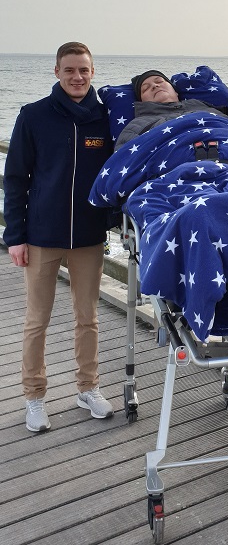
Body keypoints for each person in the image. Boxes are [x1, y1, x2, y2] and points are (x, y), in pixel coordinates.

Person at [3, 42, 115, 432]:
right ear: (56, 72)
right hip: (41, 237)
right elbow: (15, 178)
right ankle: (34, 397)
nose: (77, 77)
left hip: (88, 237)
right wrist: (14, 236)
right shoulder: (33, 116)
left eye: (83, 69)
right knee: (38, 321)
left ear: (93, 71)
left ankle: (88, 388)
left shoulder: (105, 118)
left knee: (89, 319)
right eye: (69, 70)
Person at [115, 70, 228, 150]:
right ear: (142, 101)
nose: (155, 86)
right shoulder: (136, 126)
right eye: (146, 88)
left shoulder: (205, 108)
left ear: (175, 91)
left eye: (159, 82)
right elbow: (123, 159)